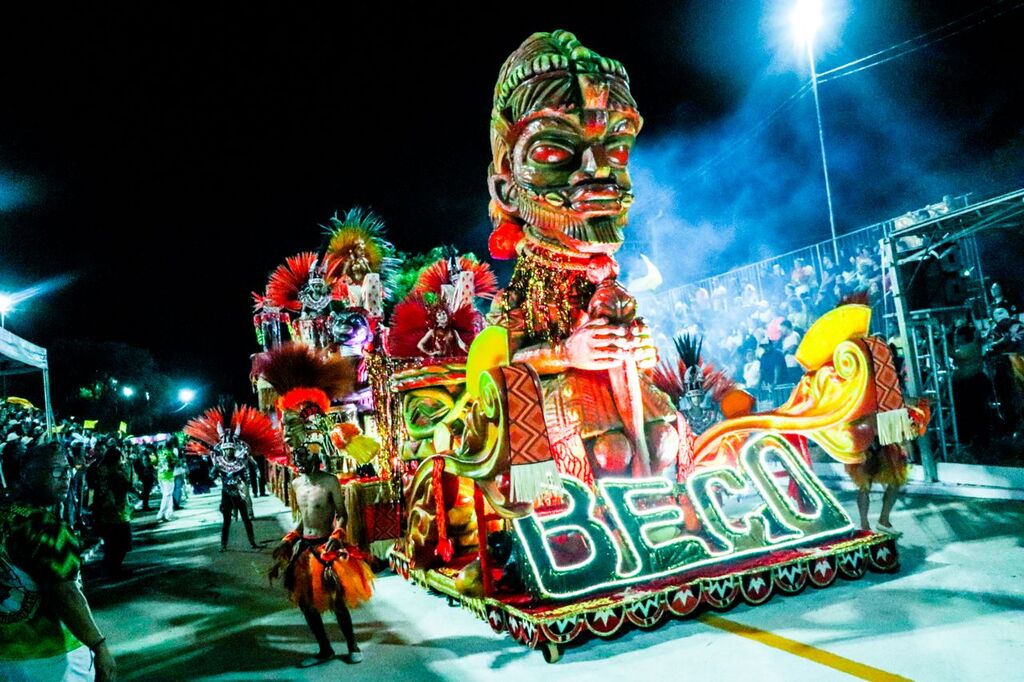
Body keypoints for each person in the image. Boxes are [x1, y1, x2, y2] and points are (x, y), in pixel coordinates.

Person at [0, 442, 117, 680]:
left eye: (68, 469)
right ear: (26, 473)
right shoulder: (46, 528)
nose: (66, 477)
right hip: (51, 659)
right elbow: (66, 595)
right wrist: (99, 645)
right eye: (55, 470)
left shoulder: (5, 514)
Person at [271, 444, 372, 667]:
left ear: (314, 457)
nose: (299, 462)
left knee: (337, 601)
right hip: (305, 550)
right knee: (307, 603)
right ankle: (324, 649)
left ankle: (352, 646)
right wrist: (289, 539)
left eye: (303, 456)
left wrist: (337, 535)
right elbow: (303, 519)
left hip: (327, 547)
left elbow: (342, 514)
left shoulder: (330, 481)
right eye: (296, 457)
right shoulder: (296, 483)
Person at [91, 439, 133, 579]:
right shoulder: (115, 473)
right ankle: (114, 571)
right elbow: (127, 485)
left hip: (105, 514)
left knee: (111, 545)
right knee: (120, 544)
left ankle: (111, 569)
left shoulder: (99, 470)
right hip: (117, 514)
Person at [155, 440, 177, 522]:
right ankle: (161, 513)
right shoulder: (169, 453)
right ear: (172, 446)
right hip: (167, 477)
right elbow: (173, 463)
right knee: (167, 495)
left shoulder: (161, 452)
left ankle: (168, 514)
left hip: (160, 476)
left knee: (167, 495)